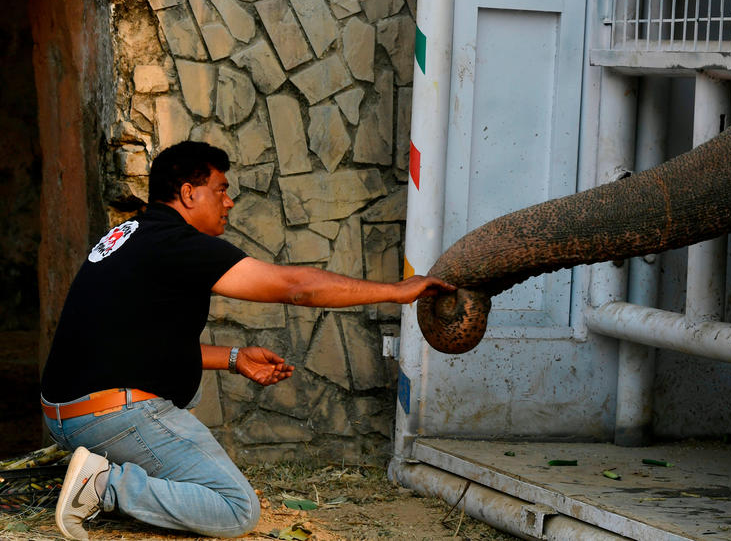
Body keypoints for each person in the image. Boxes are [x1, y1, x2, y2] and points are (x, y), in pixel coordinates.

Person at [39, 141, 454, 541]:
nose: (229, 201)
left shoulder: (128, 236)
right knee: (235, 506)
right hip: (113, 418)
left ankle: (85, 469)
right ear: (188, 193)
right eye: (221, 189)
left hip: (66, 418)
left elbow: (134, 344)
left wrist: (234, 358)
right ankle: (103, 485)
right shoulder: (177, 243)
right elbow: (297, 288)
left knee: (185, 393)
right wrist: (396, 291)